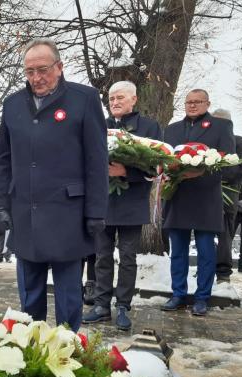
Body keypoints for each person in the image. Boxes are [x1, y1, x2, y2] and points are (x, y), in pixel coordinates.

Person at [0, 38, 108, 332]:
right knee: (29, 295)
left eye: (42, 69)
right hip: (25, 211)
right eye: (29, 72)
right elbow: (4, 160)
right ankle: (31, 350)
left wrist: (96, 210)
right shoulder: (12, 105)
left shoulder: (84, 99)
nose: (36, 78)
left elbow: (96, 160)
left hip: (67, 212)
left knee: (69, 295)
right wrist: (2, 202)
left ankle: (68, 351)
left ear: (59, 67)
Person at [82, 80, 162, 330]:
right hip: (102, 202)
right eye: (111, 98)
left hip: (132, 201)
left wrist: (125, 171)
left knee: (128, 257)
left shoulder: (149, 128)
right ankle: (101, 305)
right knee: (101, 256)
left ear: (133, 99)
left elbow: (157, 165)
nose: (114, 102)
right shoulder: (99, 126)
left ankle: (124, 306)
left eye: (120, 98)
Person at [161, 89, 236, 316]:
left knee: (205, 251)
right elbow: (163, 159)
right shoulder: (171, 130)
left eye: (198, 102)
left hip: (206, 199)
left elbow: (229, 165)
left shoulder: (221, 127)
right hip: (178, 197)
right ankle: (178, 294)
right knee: (178, 251)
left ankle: (202, 297)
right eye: (189, 102)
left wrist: (200, 172)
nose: (192, 106)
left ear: (207, 103)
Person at [212, 109, 242, 282]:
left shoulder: (239, 142)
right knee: (204, 234)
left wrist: (213, 175)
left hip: (228, 195)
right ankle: (207, 266)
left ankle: (223, 273)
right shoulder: (210, 142)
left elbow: (237, 171)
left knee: (224, 234)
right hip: (205, 195)